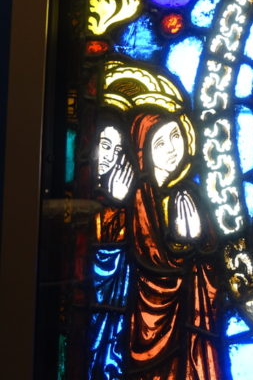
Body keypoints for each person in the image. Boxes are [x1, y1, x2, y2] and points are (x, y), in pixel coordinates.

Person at [128, 112, 221, 379]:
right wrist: (179, 250)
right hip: (146, 318)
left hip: (192, 318)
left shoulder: (192, 194)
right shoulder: (137, 199)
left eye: (176, 136)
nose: (172, 148)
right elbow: (146, 261)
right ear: (143, 151)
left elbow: (213, 268)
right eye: (160, 143)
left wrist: (197, 245)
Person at [90, 122, 134, 380]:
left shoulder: (112, 196)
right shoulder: (78, 192)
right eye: (105, 146)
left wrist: (118, 204)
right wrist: (115, 206)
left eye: (117, 151)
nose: (110, 156)